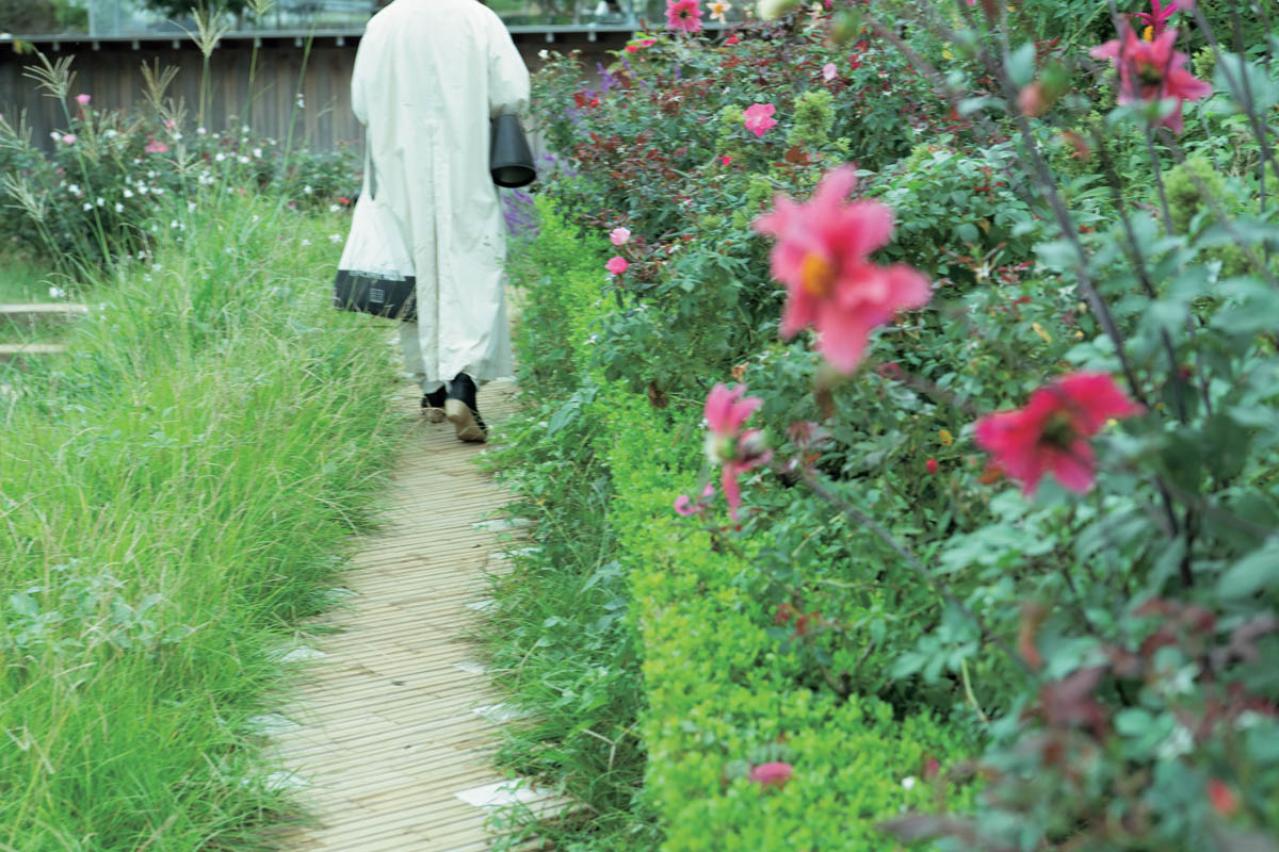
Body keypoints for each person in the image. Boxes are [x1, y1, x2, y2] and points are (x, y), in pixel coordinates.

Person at [351, 0, 530, 443]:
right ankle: (462, 386)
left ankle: (430, 388)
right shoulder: (477, 18)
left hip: (400, 167)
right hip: (464, 163)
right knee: (472, 267)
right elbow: (510, 92)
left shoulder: (383, 25)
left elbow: (362, 104)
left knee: (412, 270)